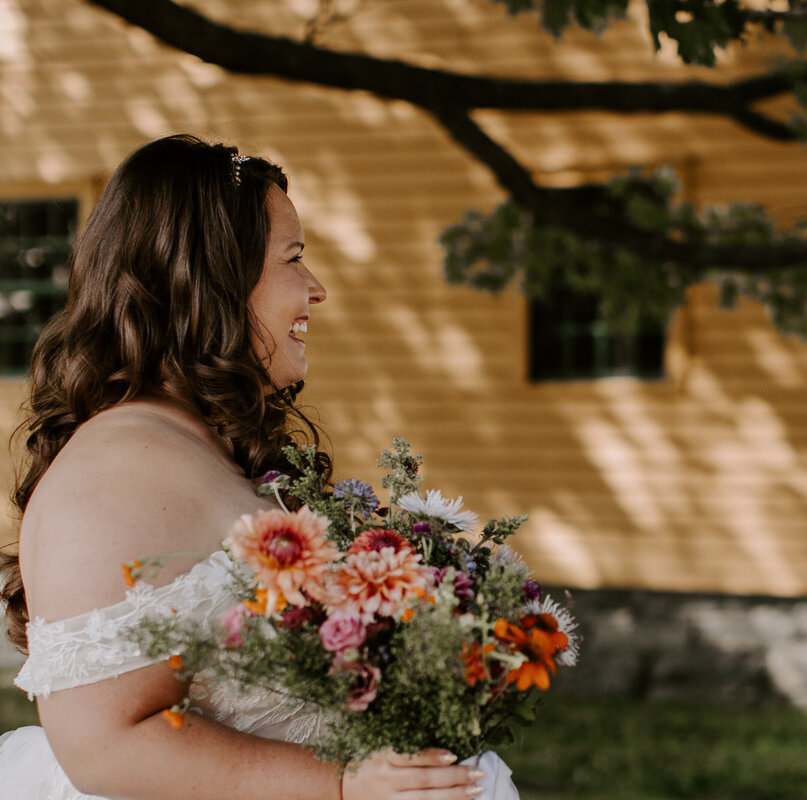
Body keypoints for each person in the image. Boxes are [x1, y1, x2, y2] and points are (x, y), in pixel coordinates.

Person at [0, 135, 487, 800]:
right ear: (212, 275)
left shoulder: (191, 445)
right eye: (293, 259)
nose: (315, 290)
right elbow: (104, 743)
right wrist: (342, 786)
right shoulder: (115, 471)